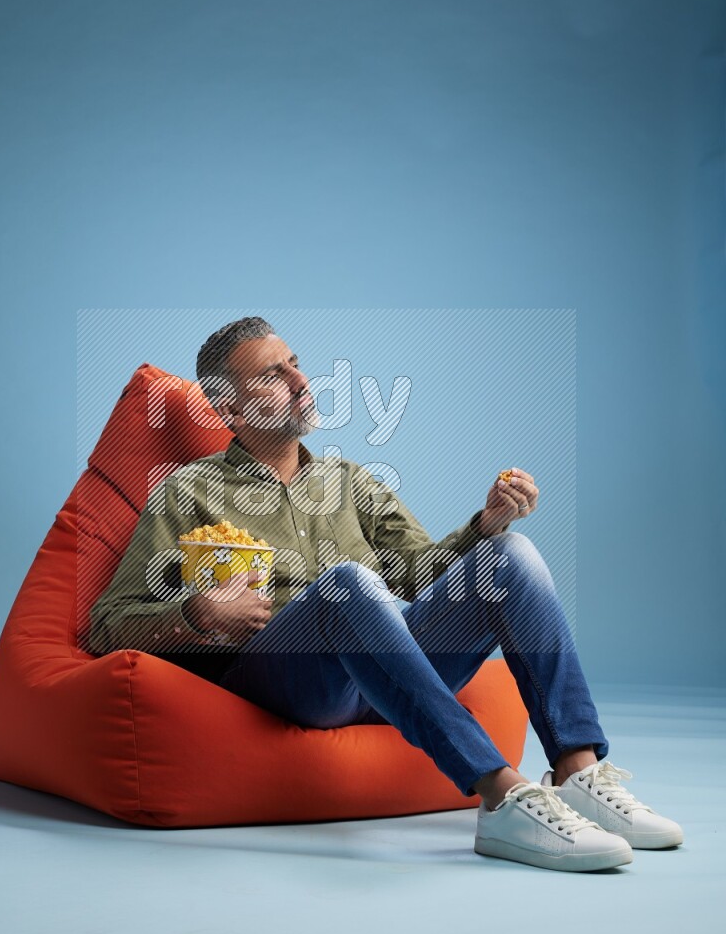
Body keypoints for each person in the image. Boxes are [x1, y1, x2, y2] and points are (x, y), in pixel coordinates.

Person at [89, 316, 683, 872]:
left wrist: (486, 524)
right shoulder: (187, 491)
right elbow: (105, 626)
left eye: (296, 363)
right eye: (273, 375)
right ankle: (500, 797)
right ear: (228, 405)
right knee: (348, 584)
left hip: (394, 671)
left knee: (511, 556)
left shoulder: (350, 481)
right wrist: (197, 612)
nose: (301, 381)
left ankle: (579, 771)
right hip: (293, 680)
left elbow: (424, 573)